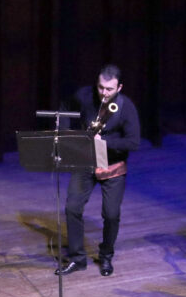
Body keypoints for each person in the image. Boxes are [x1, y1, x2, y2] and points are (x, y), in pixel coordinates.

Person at [57, 64, 141, 277]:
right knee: (72, 208)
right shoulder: (85, 95)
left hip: (112, 166)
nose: (104, 93)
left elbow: (133, 142)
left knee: (111, 214)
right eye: (101, 87)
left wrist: (103, 142)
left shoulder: (126, 107)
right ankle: (77, 258)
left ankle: (106, 256)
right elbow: (65, 106)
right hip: (86, 160)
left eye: (109, 89)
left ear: (119, 87)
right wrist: (66, 134)